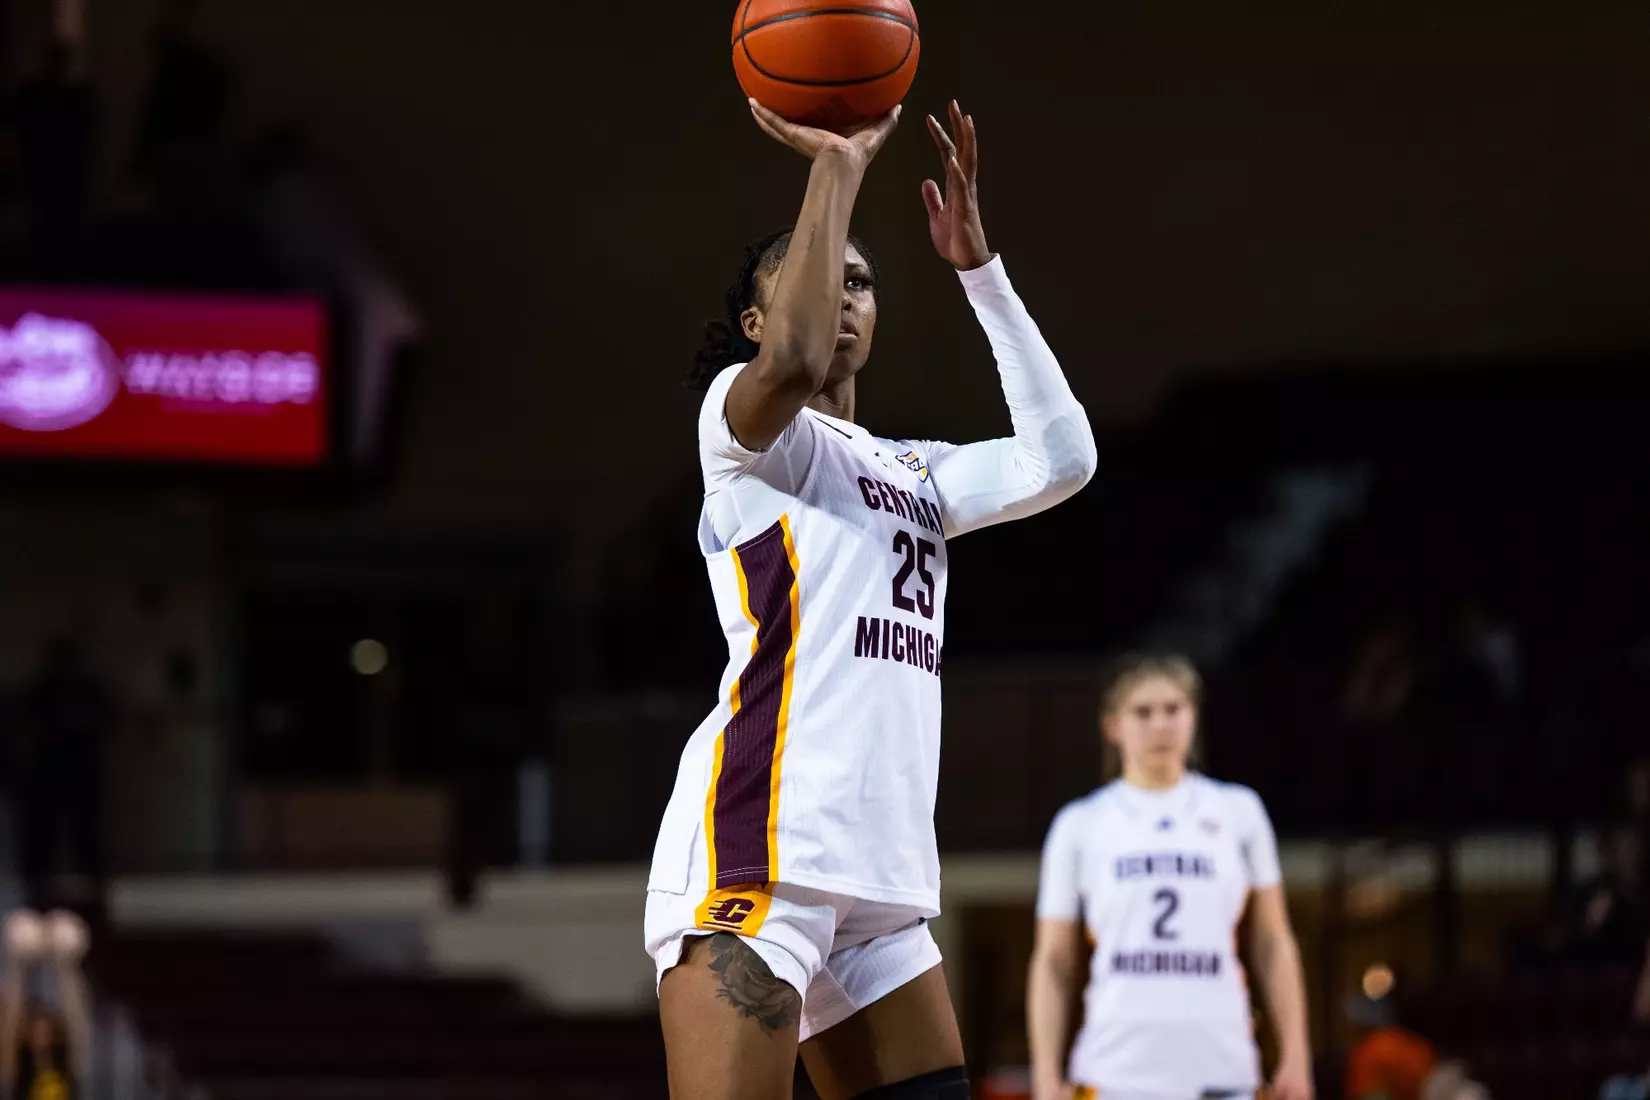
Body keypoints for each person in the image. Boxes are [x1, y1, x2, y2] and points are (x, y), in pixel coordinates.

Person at [645, 96, 1097, 1100]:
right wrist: (838, 165)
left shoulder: (916, 471)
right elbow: (798, 363)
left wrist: (979, 268)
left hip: (882, 884)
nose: (846, 293)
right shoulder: (746, 430)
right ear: (757, 318)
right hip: (757, 858)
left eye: (863, 280)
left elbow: (1064, 459)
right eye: (823, 276)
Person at [1027, 654, 1313, 1100]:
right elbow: (1052, 961)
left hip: (1224, 1068)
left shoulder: (1238, 811)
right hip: (1114, 1072)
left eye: (1173, 709)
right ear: (1112, 725)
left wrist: (1297, 1055)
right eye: (1143, 712)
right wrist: (1045, 1076)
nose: (1160, 724)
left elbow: (1273, 942)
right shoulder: (1080, 824)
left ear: (1193, 716)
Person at [17, 639, 113, 910]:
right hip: (48, 771)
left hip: (80, 769)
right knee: (42, 834)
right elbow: (26, 725)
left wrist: (78, 723)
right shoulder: (42, 692)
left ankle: (96, 892)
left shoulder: (87, 691)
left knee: (85, 832)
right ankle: (36, 889)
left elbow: (105, 719)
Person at [1, 909, 92, 1100]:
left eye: (46, 1031)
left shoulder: (68, 1064)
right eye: (36, 1031)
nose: (41, 1037)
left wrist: (66, 969)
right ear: (26, 1034)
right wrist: (18, 968)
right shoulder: (16, 1069)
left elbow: (76, 1020)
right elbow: (11, 1024)